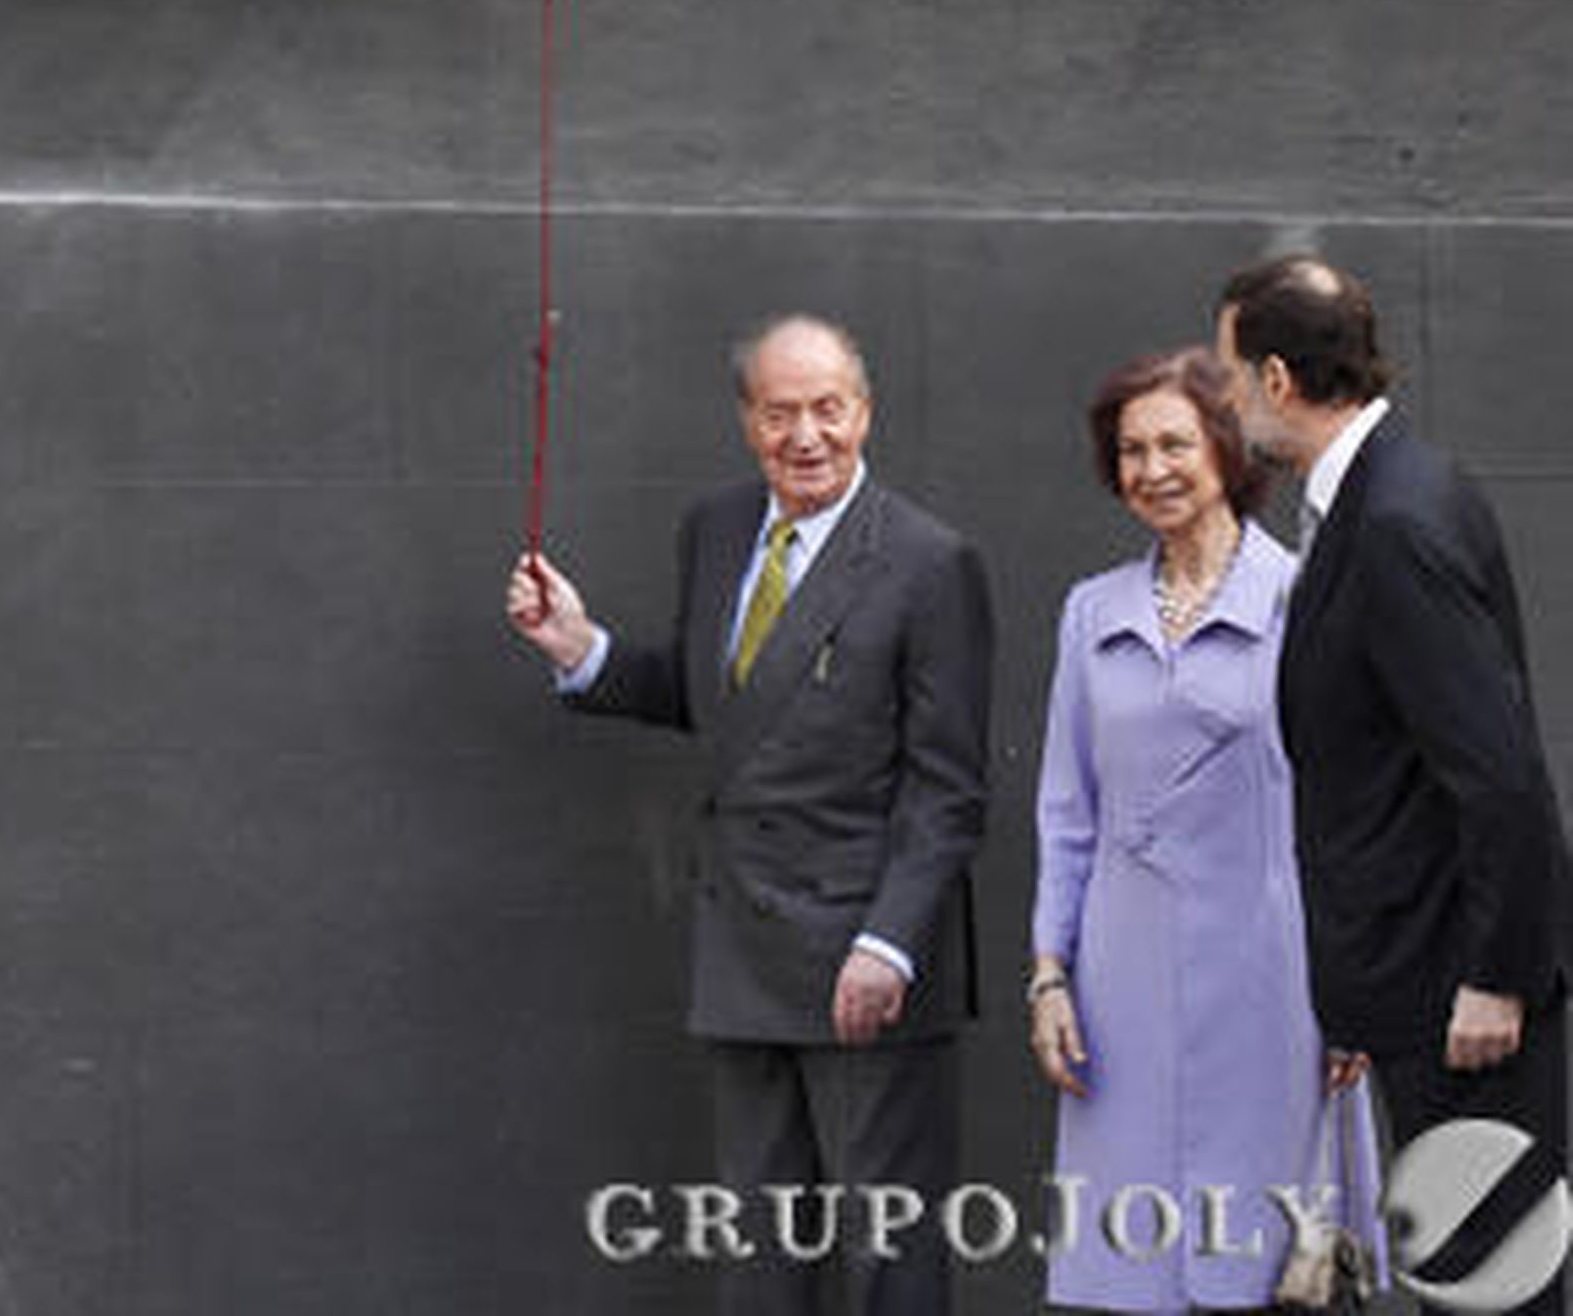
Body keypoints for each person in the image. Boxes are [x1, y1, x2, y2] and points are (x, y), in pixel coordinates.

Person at [507, 312, 992, 1316]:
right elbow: (725, 702)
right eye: (780, 414)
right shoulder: (718, 528)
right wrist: (581, 650)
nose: (805, 436)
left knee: (886, 1253)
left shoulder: (926, 561)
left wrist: (890, 946)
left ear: (864, 412)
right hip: (742, 950)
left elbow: (947, 789)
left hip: (865, 961)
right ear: (746, 422)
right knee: (758, 1247)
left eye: (827, 410)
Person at [1216, 256, 1573, 1312]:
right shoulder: (1375, 498)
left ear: (1277, 378)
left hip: (1462, 1003)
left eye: (1232, 378)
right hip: (1424, 984)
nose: (1230, 403)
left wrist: (1496, 976)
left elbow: (1498, 774)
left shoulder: (1393, 525)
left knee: (1490, 1287)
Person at [1031, 346, 1379, 1311]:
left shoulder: (1306, 600)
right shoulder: (1088, 612)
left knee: (1268, 1268)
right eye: (1132, 449)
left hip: (1275, 980)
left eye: (1175, 442)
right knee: (1133, 1265)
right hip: (1120, 986)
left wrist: (1352, 987)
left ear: (1227, 450)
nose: (1153, 468)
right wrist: (1049, 976)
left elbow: (1350, 811)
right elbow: (1066, 812)